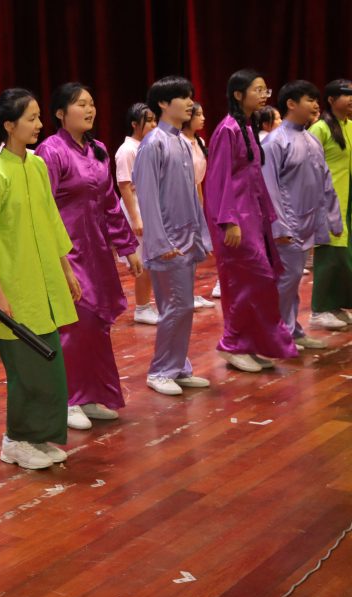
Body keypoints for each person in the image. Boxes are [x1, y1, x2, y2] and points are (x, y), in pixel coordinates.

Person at [0, 88, 80, 469]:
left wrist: (67, 270)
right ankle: (15, 440)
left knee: (48, 368)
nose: (39, 125)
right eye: (32, 118)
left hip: (43, 286)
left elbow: (52, 221)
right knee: (26, 372)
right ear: (8, 125)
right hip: (11, 291)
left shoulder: (36, 167)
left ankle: (36, 437)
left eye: (39, 117)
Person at [36, 83, 141, 431]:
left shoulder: (97, 150)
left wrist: (127, 247)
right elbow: (43, 207)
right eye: (81, 104)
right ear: (60, 113)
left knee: (96, 324)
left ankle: (92, 394)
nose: (90, 109)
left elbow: (111, 202)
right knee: (73, 323)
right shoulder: (50, 152)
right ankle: (68, 397)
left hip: (96, 249)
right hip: (67, 249)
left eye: (92, 103)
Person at [202, 69, 298, 373]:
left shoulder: (247, 126)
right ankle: (233, 342)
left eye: (264, 89)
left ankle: (251, 342)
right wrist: (228, 220)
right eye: (257, 90)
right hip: (235, 220)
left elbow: (254, 178)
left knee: (260, 280)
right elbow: (218, 179)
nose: (263, 95)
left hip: (253, 218)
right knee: (246, 280)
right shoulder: (227, 130)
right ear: (238, 94)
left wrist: (269, 217)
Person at [133, 76, 214, 396]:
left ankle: (178, 365)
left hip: (186, 239)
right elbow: (147, 197)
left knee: (183, 307)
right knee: (174, 306)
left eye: (191, 96)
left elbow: (192, 195)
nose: (190, 102)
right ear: (164, 104)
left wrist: (201, 234)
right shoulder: (153, 144)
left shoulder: (181, 141)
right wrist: (159, 241)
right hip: (167, 242)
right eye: (183, 97)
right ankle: (161, 370)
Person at [262, 80, 345, 350]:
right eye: (309, 99)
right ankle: (279, 333)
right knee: (286, 280)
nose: (315, 105)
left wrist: (333, 218)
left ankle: (292, 329)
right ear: (291, 103)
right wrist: (280, 226)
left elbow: (325, 180)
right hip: (287, 224)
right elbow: (269, 187)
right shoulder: (275, 141)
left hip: (307, 222)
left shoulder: (310, 138)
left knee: (294, 279)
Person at [308, 79, 352, 330]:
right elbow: (311, 168)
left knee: (345, 255)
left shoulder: (350, 126)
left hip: (349, 198)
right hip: (329, 199)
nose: (351, 99)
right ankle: (319, 309)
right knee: (329, 255)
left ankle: (338, 305)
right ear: (332, 100)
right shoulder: (320, 129)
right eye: (346, 95)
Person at [115, 102, 159, 324]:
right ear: (134, 124)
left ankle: (149, 304)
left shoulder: (146, 146)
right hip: (138, 210)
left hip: (149, 208)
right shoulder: (127, 150)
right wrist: (136, 219)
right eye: (148, 120)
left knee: (152, 260)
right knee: (143, 262)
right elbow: (124, 186)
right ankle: (142, 307)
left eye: (154, 120)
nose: (154, 124)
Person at [181, 102, 218, 308]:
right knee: (185, 250)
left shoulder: (199, 141)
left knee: (195, 251)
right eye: (199, 114)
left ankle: (192, 293)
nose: (203, 118)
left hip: (195, 196)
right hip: (181, 199)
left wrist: (202, 205)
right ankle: (184, 295)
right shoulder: (179, 141)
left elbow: (198, 181)